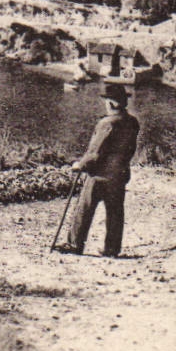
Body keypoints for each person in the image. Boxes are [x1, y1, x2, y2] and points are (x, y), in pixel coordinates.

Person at [59, 81, 140, 257]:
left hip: (99, 175)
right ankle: (111, 249)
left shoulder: (107, 123)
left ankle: (74, 244)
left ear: (111, 103)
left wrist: (80, 165)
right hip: (119, 174)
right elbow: (129, 150)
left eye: (106, 101)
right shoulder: (132, 122)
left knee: (84, 209)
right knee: (115, 212)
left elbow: (96, 152)